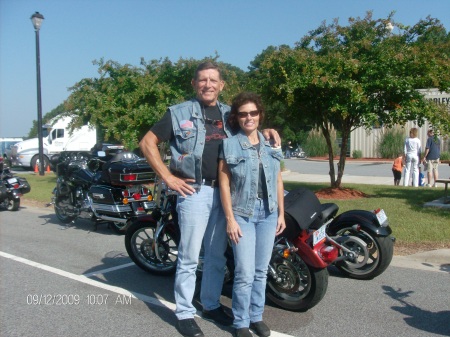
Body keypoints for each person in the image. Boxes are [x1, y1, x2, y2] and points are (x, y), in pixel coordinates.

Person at [139, 62, 280, 337]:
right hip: (195, 192)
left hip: (228, 194)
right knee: (190, 256)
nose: (208, 84)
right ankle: (184, 312)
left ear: (222, 85)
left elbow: (248, 129)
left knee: (216, 255)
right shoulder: (178, 113)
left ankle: (211, 304)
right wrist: (168, 177)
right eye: (202, 80)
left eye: (213, 80)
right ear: (194, 84)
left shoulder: (230, 114)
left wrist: (266, 132)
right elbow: (147, 142)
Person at [218, 92, 286, 337]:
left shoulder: (270, 143)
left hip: (268, 214)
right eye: (243, 113)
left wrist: (281, 214)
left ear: (260, 115)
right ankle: (241, 322)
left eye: (253, 113)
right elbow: (224, 183)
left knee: (260, 270)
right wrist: (230, 219)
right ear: (237, 117)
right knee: (245, 272)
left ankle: (256, 316)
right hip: (242, 215)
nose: (249, 117)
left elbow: (278, 178)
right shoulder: (229, 144)